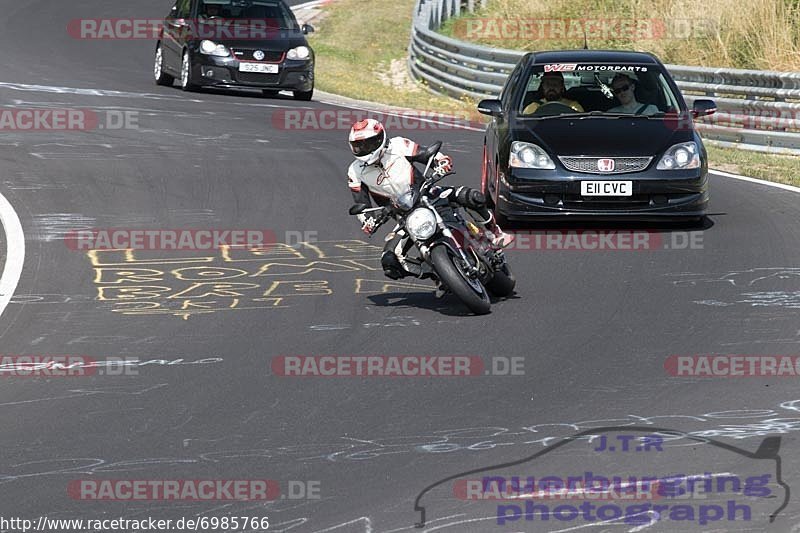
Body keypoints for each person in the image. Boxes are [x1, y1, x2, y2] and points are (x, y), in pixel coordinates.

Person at [346, 118, 514, 282]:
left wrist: (441, 162)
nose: (364, 149)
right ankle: (439, 273)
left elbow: (425, 153)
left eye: (368, 144)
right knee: (389, 262)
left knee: (471, 197)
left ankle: (494, 233)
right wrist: (367, 221)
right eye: (359, 146)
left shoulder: (398, 145)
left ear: (380, 138)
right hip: (402, 215)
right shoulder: (355, 171)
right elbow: (361, 204)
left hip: (429, 194)